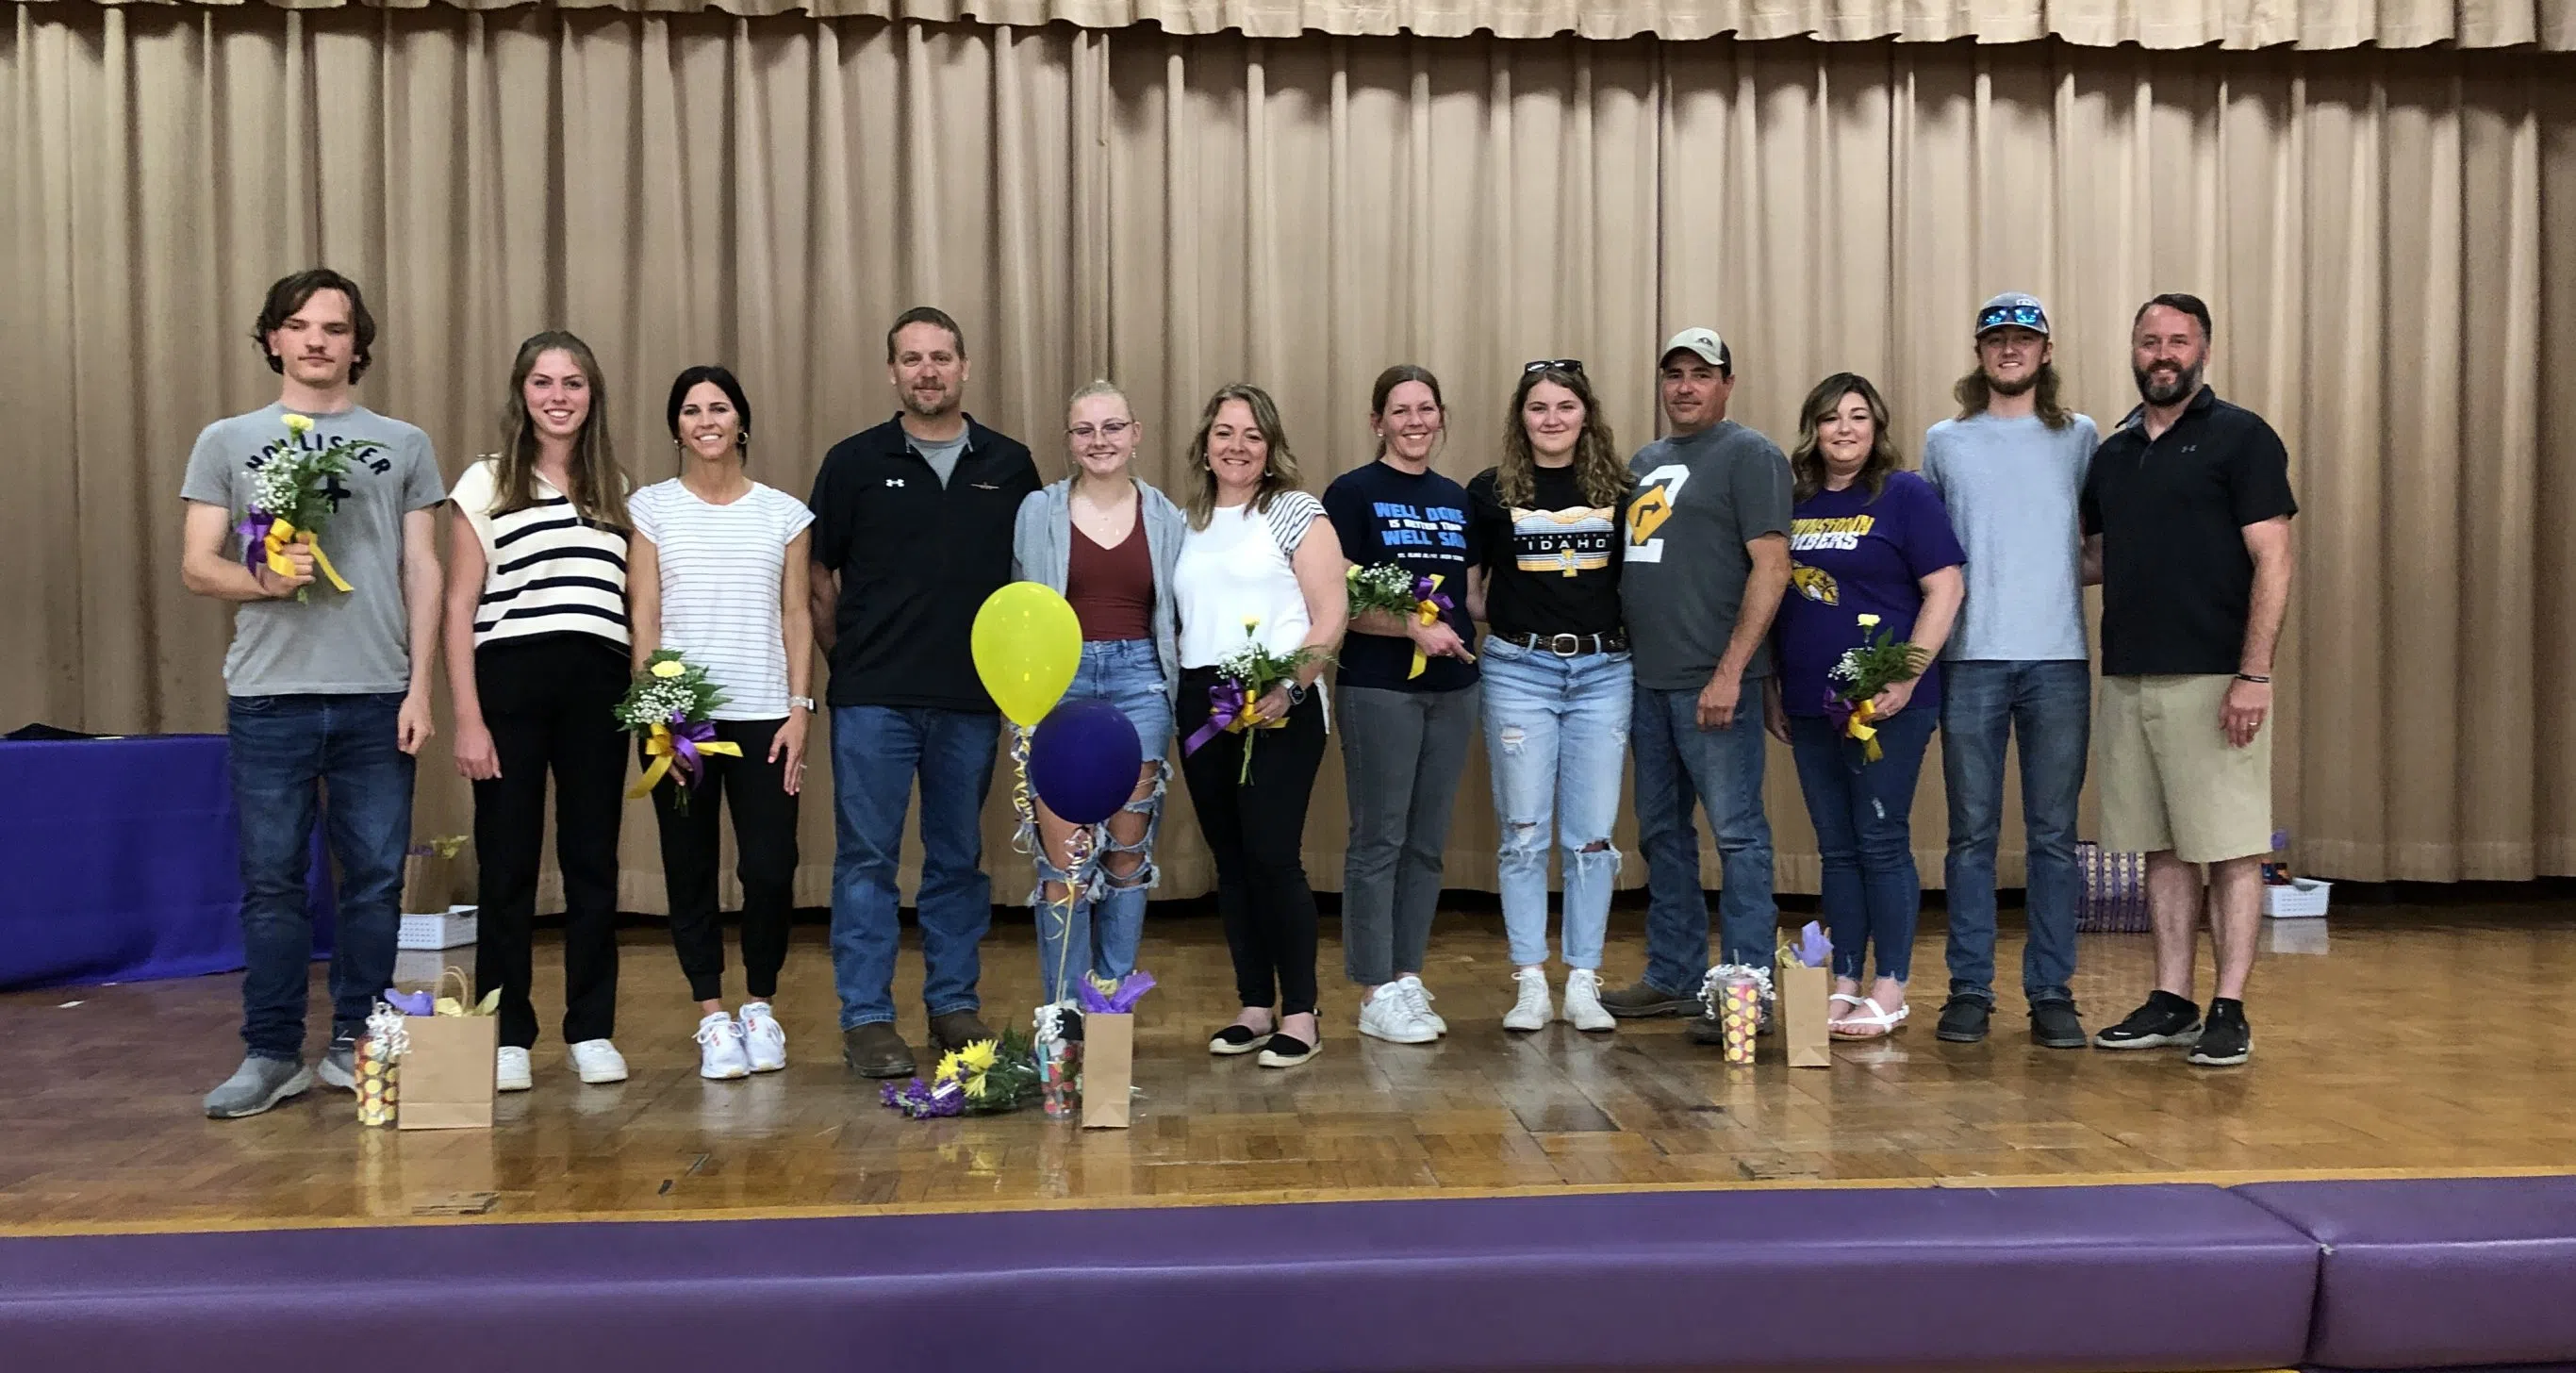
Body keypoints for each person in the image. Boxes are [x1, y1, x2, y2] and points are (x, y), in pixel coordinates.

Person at [182, 268, 444, 1118]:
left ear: (357, 343)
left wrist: (421, 688)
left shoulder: (403, 442)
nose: (317, 341)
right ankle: (269, 1053)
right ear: (273, 339)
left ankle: (358, 1041)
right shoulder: (227, 439)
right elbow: (197, 565)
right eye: (299, 326)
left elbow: (422, 567)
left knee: (373, 882)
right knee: (271, 883)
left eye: (335, 327)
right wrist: (262, 579)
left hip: (376, 693)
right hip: (269, 696)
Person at [810, 307, 1040, 1079]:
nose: (927, 371)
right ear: (892, 373)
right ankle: (868, 1018)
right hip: (872, 699)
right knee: (867, 860)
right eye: (912, 359)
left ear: (965, 367)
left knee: (956, 860)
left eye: (941, 357)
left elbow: (1030, 583)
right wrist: (849, 660)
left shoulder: (1010, 465)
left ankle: (952, 1005)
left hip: (971, 703)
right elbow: (817, 574)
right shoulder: (851, 462)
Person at [2084, 293, 2296, 1068]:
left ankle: (2229, 1005)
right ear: (2132, 351)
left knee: (2232, 848)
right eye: (2148, 341)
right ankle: (2170, 999)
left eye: (2177, 340)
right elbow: (2098, 559)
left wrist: (2255, 674)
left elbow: (2274, 558)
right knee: (2162, 849)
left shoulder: (2241, 438)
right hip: (2129, 677)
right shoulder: (2112, 453)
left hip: (2217, 677)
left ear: (2203, 350)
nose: (2162, 353)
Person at [443, 331, 635, 1092]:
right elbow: (460, 606)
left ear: (594, 396)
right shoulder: (485, 482)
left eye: (575, 383)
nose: (559, 396)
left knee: (593, 861)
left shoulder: (613, 486)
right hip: (510, 681)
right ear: (521, 393)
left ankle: (591, 1028)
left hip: (598, 684)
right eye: (544, 382)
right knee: (509, 861)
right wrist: (468, 717)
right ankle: (507, 1030)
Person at [1601, 327, 1792, 1047]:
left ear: (1727, 384)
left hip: (1715, 686)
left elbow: (1771, 568)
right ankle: (1675, 974)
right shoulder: (1645, 463)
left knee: (1739, 837)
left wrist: (1733, 671)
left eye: (1701, 374)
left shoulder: (1751, 456)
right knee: (1661, 836)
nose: (1685, 386)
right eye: (1674, 373)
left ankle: (1744, 989)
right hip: (1646, 684)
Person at [1921, 292, 2101, 1049]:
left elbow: (2103, 540)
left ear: (2046, 351)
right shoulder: (1945, 441)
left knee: (2055, 838)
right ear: (1979, 349)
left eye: (2023, 338)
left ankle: (2052, 992)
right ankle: (1969, 989)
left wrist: (2050, 576)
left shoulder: (2083, 438)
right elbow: (1926, 555)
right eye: (1996, 338)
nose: (2009, 350)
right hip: (1970, 661)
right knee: (1971, 836)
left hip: (2059, 659)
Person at [628, 365, 816, 1080]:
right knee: (689, 869)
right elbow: (643, 617)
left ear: (741, 420)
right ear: (676, 426)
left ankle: (761, 1006)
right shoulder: (650, 508)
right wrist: (657, 720)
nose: (706, 420)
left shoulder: (784, 514)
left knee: (770, 870)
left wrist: (801, 709)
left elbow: (796, 614)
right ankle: (712, 1016)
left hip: (768, 714)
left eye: (719, 407)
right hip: (685, 719)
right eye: (690, 410)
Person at [1763, 373, 1964, 1039]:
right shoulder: (1793, 499)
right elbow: (1773, 596)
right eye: (1829, 418)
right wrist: (1773, 686)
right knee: (1837, 848)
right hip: (1810, 700)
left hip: (1888, 702)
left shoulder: (1904, 495)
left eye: (1857, 417)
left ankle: (1892, 984)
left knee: (1880, 840)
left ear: (1876, 426)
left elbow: (1945, 588)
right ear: (1812, 429)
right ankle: (1845, 979)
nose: (1843, 429)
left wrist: (1906, 676)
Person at [1173, 384, 1346, 1068]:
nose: (1236, 446)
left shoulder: (1296, 512)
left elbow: (1329, 611)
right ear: (1205, 444)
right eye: (1223, 432)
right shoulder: (1185, 521)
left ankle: (1302, 1011)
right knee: (1232, 861)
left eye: (1250, 434)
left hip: (1280, 702)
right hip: (1202, 701)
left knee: (1273, 855)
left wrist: (1289, 685)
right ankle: (1254, 1003)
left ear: (1270, 446)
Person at [1466, 360, 1630, 1034]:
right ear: (1521, 417)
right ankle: (1531, 979)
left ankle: (1585, 979)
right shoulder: (1489, 490)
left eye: (1565, 405)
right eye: (1539, 407)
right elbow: (1473, 593)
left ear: (1586, 414)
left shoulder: (1622, 488)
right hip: (1519, 670)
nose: (1553, 418)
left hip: (1603, 671)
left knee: (1592, 837)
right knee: (1524, 833)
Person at [1011, 380, 1185, 1007]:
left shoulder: (1168, 517)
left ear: (1136, 435)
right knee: (1065, 865)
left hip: (1140, 683)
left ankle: (1110, 1009)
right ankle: (1064, 1018)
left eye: (1113, 427)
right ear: (1069, 441)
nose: (1099, 441)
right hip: (1058, 685)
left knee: (1126, 857)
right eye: (1085, 430)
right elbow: (1018, 609)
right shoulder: (1037, 511)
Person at [1324, 365, 1481, 1045]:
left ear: (1441, 417)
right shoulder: (1353, 494)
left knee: (1425, 845)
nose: (1415, 421)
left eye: (1426, 409)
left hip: (1453, 691)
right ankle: (1373, 987)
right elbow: (1337, 600)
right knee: (1379, 838)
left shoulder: (1456, 498)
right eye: (1400, 410)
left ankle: (1407, 975)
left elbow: (1473, 597)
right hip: (1379, 687)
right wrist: (1409, 627)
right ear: (1377, 421)